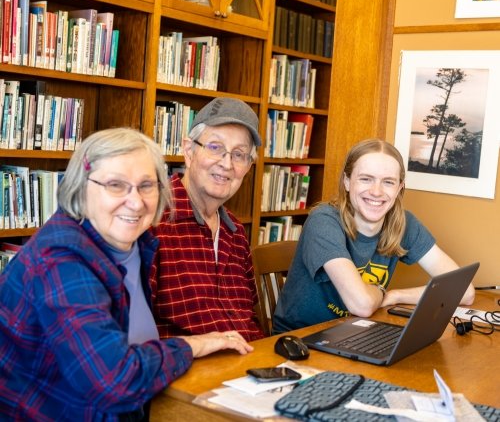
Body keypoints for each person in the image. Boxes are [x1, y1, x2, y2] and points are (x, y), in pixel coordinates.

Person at [0, 127, 253, 421]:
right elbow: (114, 381)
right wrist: (191, 345)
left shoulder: (134, 245)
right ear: (81, 187)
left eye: (146, 185)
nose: (135, 201)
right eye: (116, 185)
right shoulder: (61, 260)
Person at [273, 138, 475, 333]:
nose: (376, 192)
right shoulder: (323, 221)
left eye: (388, 182)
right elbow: (361, 305)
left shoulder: (404, 223)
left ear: (399, 188)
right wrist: (380, 291)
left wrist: (396, 296)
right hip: (302, 339)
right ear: (347, 181)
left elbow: (464, 291)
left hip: (356, 332)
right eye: (366, 179)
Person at [151, 97, 265, 341]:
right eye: (215, 147)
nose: (226, 164)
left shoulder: (235, 233)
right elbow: (133, 331)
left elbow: (249, 320)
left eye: (239, 154)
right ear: (189, 151)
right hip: (186, 369)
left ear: (248, 166)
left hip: (246, 366)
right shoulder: (153, 222)